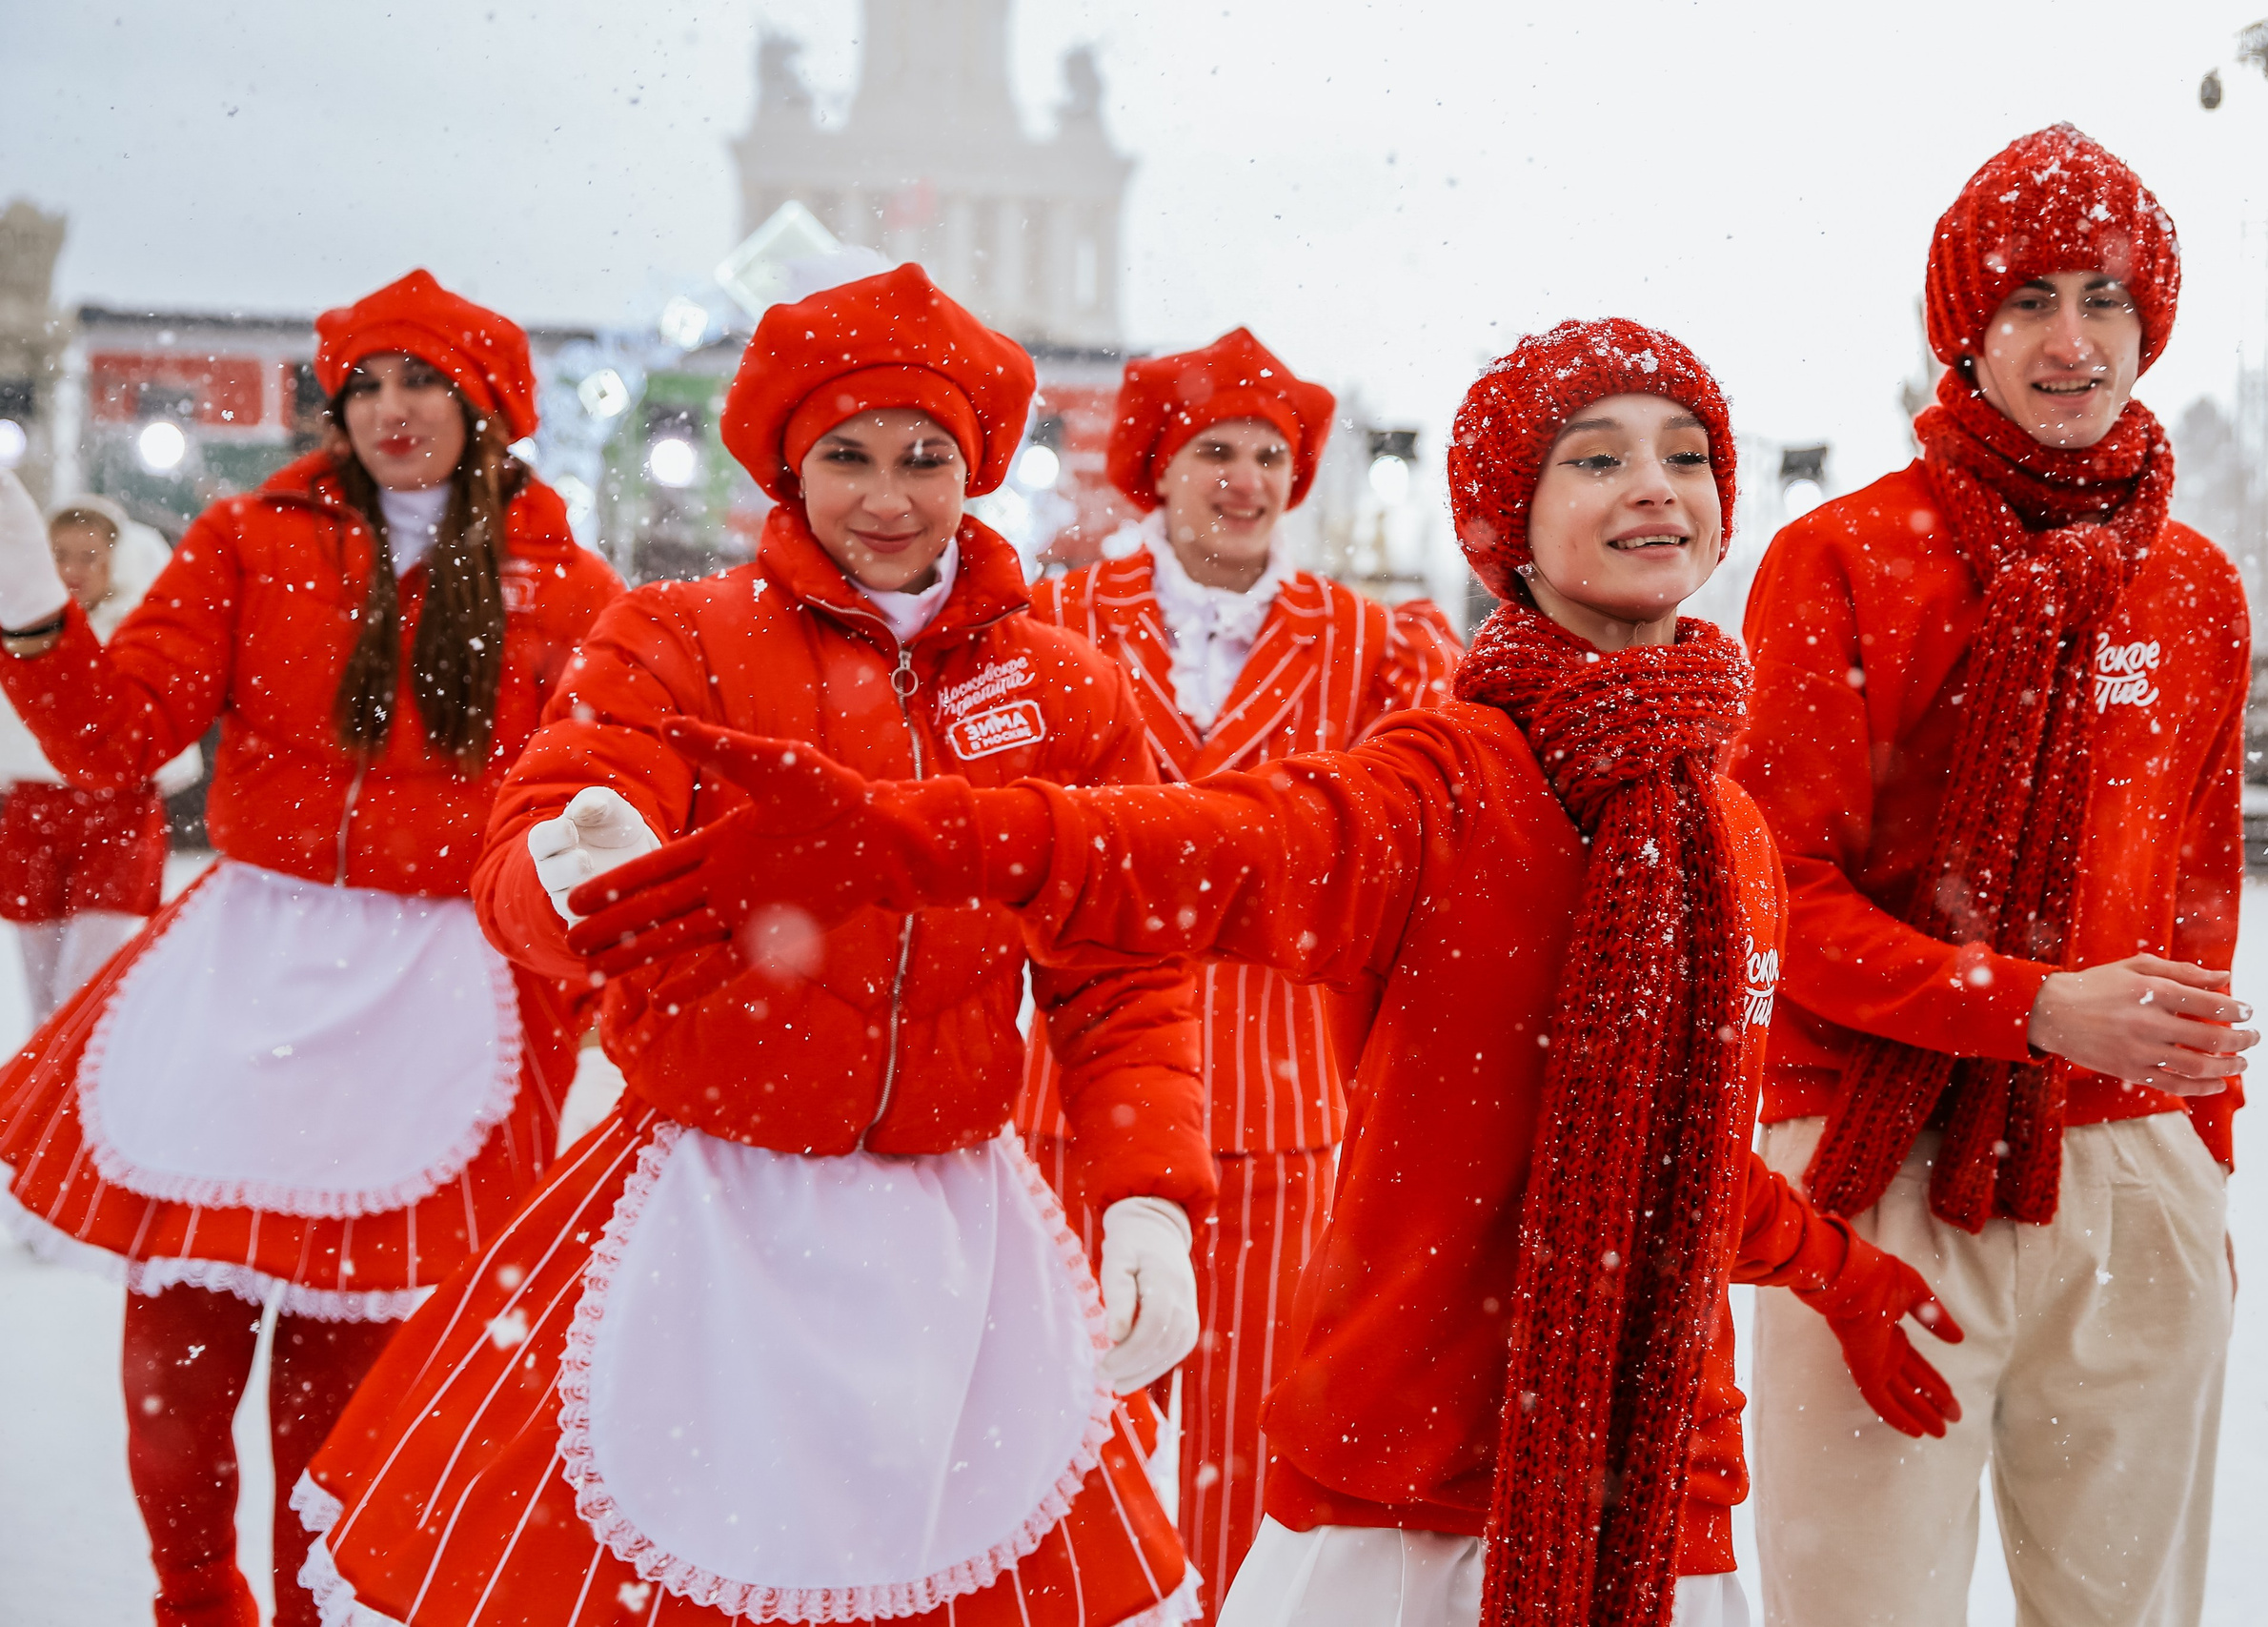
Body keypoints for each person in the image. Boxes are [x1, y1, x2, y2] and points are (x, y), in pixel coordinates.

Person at [565, 317, 1965, 1627]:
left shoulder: (1725, 829)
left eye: (1685, 455)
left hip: (1657, 1483)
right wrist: (914, 835)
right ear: (1509, 534)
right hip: (1400, 1492)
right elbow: (1195, 839)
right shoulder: (1447, 781)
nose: (1653, 485)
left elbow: (1687, 1147)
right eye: (1594, 457)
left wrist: (1839, 1272)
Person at [297, 264, 1214, 1627]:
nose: (889, 496)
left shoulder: (1068, 689)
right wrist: (566, 865)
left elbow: (1122, 963)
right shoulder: (679, 636)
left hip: (953, 1228)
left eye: (925, 457)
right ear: (790, 467)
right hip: (705, 1203)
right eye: (847, 455)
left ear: (979, 470)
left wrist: (1150, 1188)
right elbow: (538, 848)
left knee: (937, 1568)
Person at [0, 268, 622, 1627]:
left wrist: (568, 994)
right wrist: (30, 611)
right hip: (245, 975)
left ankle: (309, 1614)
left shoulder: (574, 592)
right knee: (174, 1386)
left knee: (337, 1412)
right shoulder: (245, 539)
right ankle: (192, 1601)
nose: (392, 410)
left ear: (489, 406)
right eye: (366, 385)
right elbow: (110, 737)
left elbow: (585, 826)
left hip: (435, 1001)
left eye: (423, 383)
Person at [1731, 125, 2256, 1627]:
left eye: (2105, 296)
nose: (2072, 339)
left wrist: (2202, 1149)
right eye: (2030, 298)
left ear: (2153, 320)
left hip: (2133, 1170)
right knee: (1861, 1606)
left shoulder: (2198, 586)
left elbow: (2200, 905)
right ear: (1964, 326)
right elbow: (1786, 907)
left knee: (2125, 1609)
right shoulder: (1840, 559)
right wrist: (2030, 1007)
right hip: (1883, 1159)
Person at [1017, 326, 1459, 1615]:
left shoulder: (1378, 646)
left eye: (1271, 452)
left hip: (1277, 1100)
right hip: (1078, 1088)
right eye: (1218, 448)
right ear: (1160, 465)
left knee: (1238, 1432)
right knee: (1058, 1416)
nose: (1246, 478)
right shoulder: (1051, 624)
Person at [0, 495, 201, 1018]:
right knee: (41, 989)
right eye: (60, 555)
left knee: (84, 986)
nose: (72, 570)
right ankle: (47, 1091)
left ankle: (75, 1090)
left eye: (88, 557)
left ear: (117, 559)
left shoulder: (139, 634)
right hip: (31, 812)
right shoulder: (20, 634)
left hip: (117, 813)